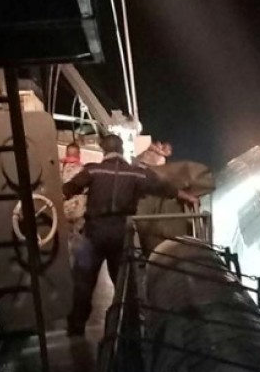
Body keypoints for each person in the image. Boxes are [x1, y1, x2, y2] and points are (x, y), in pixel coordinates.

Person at [62, 134, 199, 336]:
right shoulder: (136, 173)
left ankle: (76, 327)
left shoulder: (92, 170)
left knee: (83, 281)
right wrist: (186, 196)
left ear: (103, 150)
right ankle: (130, 326)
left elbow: (68, 189)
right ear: (122, 150)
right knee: (124, 283)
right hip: (120, 233)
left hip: (93, 233)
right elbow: (161, 187)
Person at [60, 142, 86, 265]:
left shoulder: (60, 169)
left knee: (66, 239)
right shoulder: (83, 170)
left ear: (66, 153)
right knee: (79, 239)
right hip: (79, 211)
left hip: (64, 210)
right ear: (79, 154)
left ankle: (66, 264)